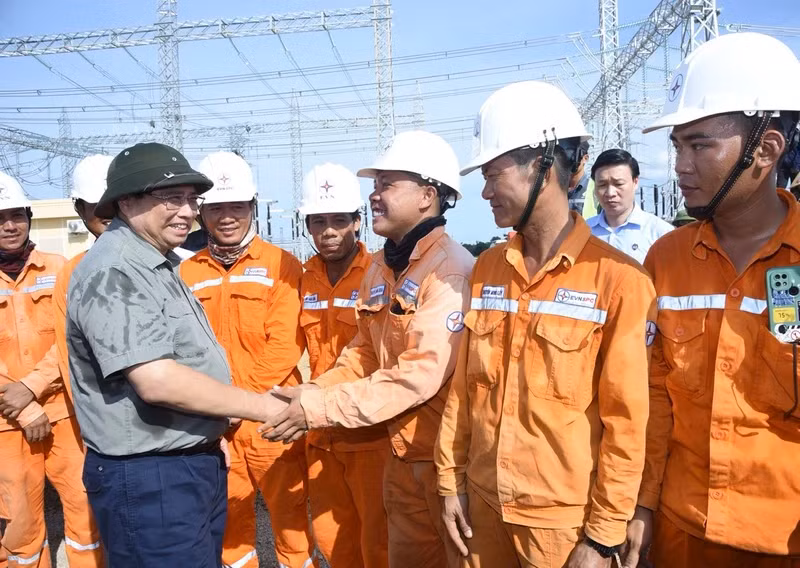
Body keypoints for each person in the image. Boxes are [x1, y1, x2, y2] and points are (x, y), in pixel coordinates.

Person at [436, 81, 656, 568]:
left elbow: (627, 424)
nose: (484, 191)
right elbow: (465, 390)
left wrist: (602, 537)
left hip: (563, 528)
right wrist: (450, 480)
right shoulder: (489, 268)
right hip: (482, 511)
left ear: (542, 165)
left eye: (493, 175)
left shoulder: (619, 280)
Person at [623, 32, 800, 568]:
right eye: (677, 146)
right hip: (682, 530)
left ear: (766, 150)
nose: (680, 165)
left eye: (699, 146)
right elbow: (653, 397)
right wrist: (642, 504)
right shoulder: (666, 260)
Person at [66, 142, 285, 568]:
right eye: (171, 198)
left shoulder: (155, 263)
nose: (187, 212)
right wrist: (263, 407)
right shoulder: (115, 270)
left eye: (191, 199)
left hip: (182, 465)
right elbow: (158, 380)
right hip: (151, 479)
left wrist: (207, 435)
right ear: (126, 201)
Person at [262, 130, 475, 568]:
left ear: (427, 196)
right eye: (375, 186)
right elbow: (363, 353)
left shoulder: (449, 272)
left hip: (441, 462)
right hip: (399, 458)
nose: (374, 195)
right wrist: (313, 391)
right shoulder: (382, 267)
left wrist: (319, 408)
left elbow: (417, 376)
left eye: (387, 185)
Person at [180, 151, 314, 568]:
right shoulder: (186, 273)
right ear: (201, 213)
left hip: (270, 416)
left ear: (252, 206)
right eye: (216, 208)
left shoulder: (281, 264)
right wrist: (216, 407)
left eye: (236, 206)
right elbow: (183, 350)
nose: (226, 217)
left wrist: (237, 403)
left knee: (291, 524)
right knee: (229, 526)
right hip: (213, 423)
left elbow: (284, 345)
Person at [0, 170, 103, 568]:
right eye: (0, 218)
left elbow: (73, 339)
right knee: (18, 524)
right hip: (7, 424)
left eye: (16, 215)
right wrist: (25, 406)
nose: (10, 225)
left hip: (65, 413)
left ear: (28, 217)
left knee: (86, 510)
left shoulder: (61, 268)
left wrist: (32, 386)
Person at [297, 163, 389, 568]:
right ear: (307, 226)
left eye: (338, 220)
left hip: (369, 433)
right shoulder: (301, 279)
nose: (328, 231)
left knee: (379, 542)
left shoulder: (381, 274)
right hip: (320, 433)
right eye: (318, 221)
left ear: (358, 222)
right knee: (333, 540)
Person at [586, 149, 673, 263]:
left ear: (635, 182)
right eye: (602, 185)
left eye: (618, 184)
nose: (610, 193)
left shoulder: (660, 233)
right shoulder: (583, 232)